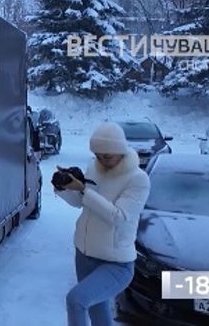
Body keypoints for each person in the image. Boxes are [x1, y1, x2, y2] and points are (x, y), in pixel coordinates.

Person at [55, 122, 150, 326]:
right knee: (98, 313)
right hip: (84, 255)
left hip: (115, 263)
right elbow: (82, 203)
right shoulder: (94, 168)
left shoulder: (138, 179)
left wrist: (84, 190)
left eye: (107, 156)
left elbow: (119, 216)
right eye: (97, 155)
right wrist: (64, 189)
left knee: (76, 301)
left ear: (121, 151)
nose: (101, 160)